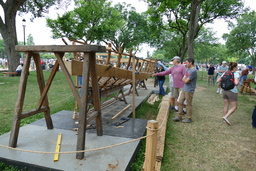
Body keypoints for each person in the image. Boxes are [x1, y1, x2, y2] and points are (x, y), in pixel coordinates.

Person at [172, 58, 197, 123]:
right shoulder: (187, 69)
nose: (186, 64)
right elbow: (183, 79)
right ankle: (179, 116)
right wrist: (184, 79)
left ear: (190, 63)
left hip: (189, 90)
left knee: (188, 104)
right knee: (180, 102)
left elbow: (186, 81)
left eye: (187, 62)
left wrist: (185, 79)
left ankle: (189, 118)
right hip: (184, 88)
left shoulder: (193, 71)